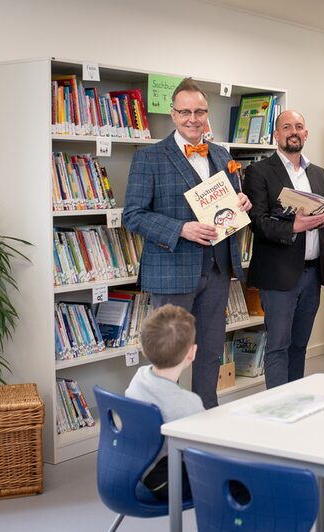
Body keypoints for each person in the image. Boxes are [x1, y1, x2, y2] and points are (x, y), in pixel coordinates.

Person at [123, 78, 251, 409]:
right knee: (169, 359)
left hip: (218, 270)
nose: (193, 119)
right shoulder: (149, 158)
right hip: (172, 270)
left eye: (199, 111)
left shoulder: (222, 155)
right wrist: (181, 228)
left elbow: (229, 203)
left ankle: (206, 419)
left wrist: (241, 202)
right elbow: (133, 215)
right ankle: (165, 426)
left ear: (207, 113)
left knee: (210, 352)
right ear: (173, 114)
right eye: (185, 112)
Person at [243, 110, 324, 389]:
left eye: (299, 127)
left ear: (306, 134)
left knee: (299, 345)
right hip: (278, 275)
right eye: (286, 127)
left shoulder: (317, 173)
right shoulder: (259, 172)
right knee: (278, 345)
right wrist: (293, 227)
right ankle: (277, 405)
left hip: (312, 274)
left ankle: (295, 399)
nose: (294, 131)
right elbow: (257, 222)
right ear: (276, 134)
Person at [125, 304, 203, 500]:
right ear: (192, 353)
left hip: (135, 469)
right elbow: (204, 453)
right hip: (166, 482)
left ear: (143, 349)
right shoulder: (188, 404)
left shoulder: (139, 378)